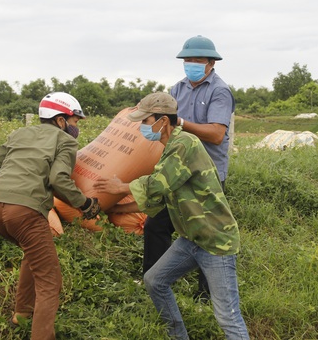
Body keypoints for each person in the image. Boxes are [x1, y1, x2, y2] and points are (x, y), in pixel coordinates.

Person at [94, 92, 249, 340]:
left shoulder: (185, 144)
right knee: (155, 281)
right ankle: (178, 335)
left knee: (227, 316)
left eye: (145, 121)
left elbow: (157, 185)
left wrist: (120, 187)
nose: (142, 127)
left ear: (163, 122)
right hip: (191, 238)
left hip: (214, 242)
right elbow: (159, 199)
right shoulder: (168, 150)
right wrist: (115, 209)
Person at [0, 92, 101, 340]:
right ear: (61, 120)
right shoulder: (65, 141)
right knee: (50, 281)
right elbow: (58, 179)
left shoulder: (18, 133)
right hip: (26, 214)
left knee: (33, 255)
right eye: (74, 121)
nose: (75, 128)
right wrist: (84, 204)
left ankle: (22, 316)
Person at [144, 34, 236, 299]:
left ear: (211, 63)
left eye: (197, 60)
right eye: (188, 60)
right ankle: (155, 283)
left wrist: (181, 122)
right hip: (178, 169)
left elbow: (217, 134)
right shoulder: (177, 89)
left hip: (206, 174)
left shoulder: (219, 91)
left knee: (204, 234)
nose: (191, 64)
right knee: (155, 226)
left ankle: (206, 294)